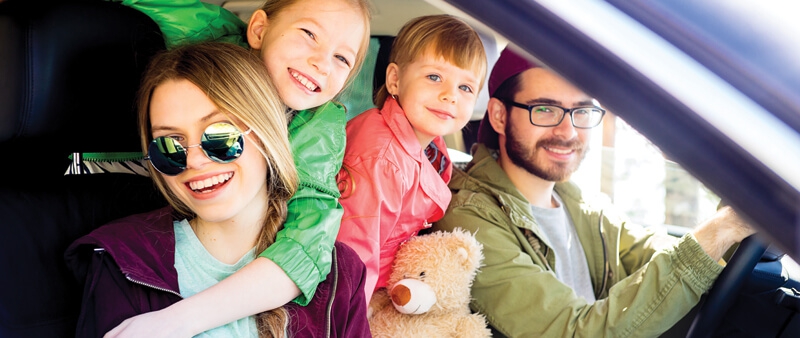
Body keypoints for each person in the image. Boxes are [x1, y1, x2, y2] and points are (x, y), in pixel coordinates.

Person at [431, 47, 756, 337]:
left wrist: (737, 225)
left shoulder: (575, 200)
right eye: (545, 110)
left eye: (582, 111)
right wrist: (722, 228)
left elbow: (649, 251)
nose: (568, 132)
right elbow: (573, 331)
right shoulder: (469, 221)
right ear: (499, 116)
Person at [94, 0, 371, 336]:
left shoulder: (319, 128)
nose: (322, 63)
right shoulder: (116, 256)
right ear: (258, 29)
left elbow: (307, 246)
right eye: (309, 34)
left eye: (342, 58)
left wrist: (177, 320)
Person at [335, 14, 487, 303]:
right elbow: (352, 258)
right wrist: (359, 320)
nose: (450, 95)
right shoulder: (383, 159)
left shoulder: (431, 147)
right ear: (395, 79)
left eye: (465, 88)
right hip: (357, 299)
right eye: (434, 77)